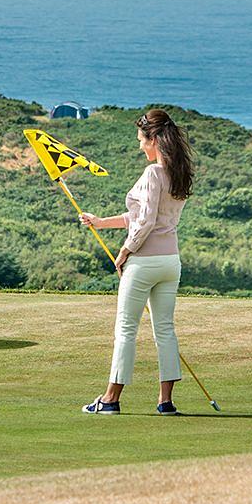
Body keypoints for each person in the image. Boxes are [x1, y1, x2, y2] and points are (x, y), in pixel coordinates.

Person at [77, 109, 195, 415]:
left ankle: (110, 399)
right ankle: (165, 402)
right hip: (170, 261)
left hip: (144, 261)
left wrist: (126, 250)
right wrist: (101, 222)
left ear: (153, 139)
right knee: (165, 330)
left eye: (141, 139)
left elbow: (145, 221)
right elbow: (143, 217)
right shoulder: (179, 174)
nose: (140, 145)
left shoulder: (153, 173)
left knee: (126, 329)